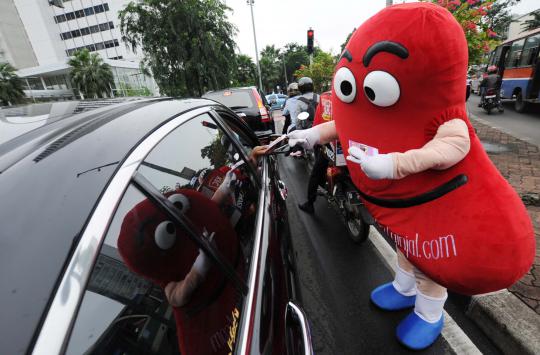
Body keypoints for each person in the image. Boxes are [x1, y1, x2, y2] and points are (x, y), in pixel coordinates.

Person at [289, 3, 534, 350]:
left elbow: (453, 146)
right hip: (399, 209)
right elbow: (348, 121)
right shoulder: (363, 105)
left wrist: (393, 165)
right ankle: (404, 286)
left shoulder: (441, 116)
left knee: (430, 265)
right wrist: (312, 135)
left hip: (433, 209)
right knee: (406, 244)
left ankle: (429, 312)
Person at [298, 91, 332, 214]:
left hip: (330, 142)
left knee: (316, 173)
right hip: (348, 142)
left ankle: (310, 203)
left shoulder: (325, 97)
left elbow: (317, 124)